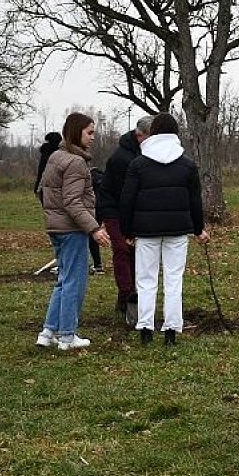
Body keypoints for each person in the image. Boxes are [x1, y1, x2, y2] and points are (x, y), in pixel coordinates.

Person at [119, 113, 207, 346]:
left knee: (146, 280)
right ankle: (171, 330)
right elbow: (195, 201)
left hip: (146, 231)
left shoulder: (138, 164)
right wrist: (199, 229)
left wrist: (126, 231)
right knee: (173, 280)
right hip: (178, 230)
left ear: (154, 133)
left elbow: (127, 200)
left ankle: (146, 328)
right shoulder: (187, 164)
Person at [36, 113, 111, 351]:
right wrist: (94, 228)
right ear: (76, 132)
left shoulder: (56, 156)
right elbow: (72, 202)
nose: (93, 137)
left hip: (56, 227)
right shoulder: (76, 162)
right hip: (72, 230)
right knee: (73, 283)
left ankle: (48, 332)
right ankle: (67, 335)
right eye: (89, 132)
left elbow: (42, 191)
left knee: (63, 280)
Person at [96, 116, 152, 324]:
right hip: (114, 209)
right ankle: (127, 293)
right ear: (140, 136)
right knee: (121, 248)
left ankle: (133, 294)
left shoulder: (143, 153)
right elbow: (124, 193)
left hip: (133, 211)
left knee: (135, 251)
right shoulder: (123, 158)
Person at [33, 132, 62, 201]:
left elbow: (40, 171)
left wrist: (37, 186)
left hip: (44, 187)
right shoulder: (60, 153)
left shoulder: (44, 152)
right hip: (56, 188)